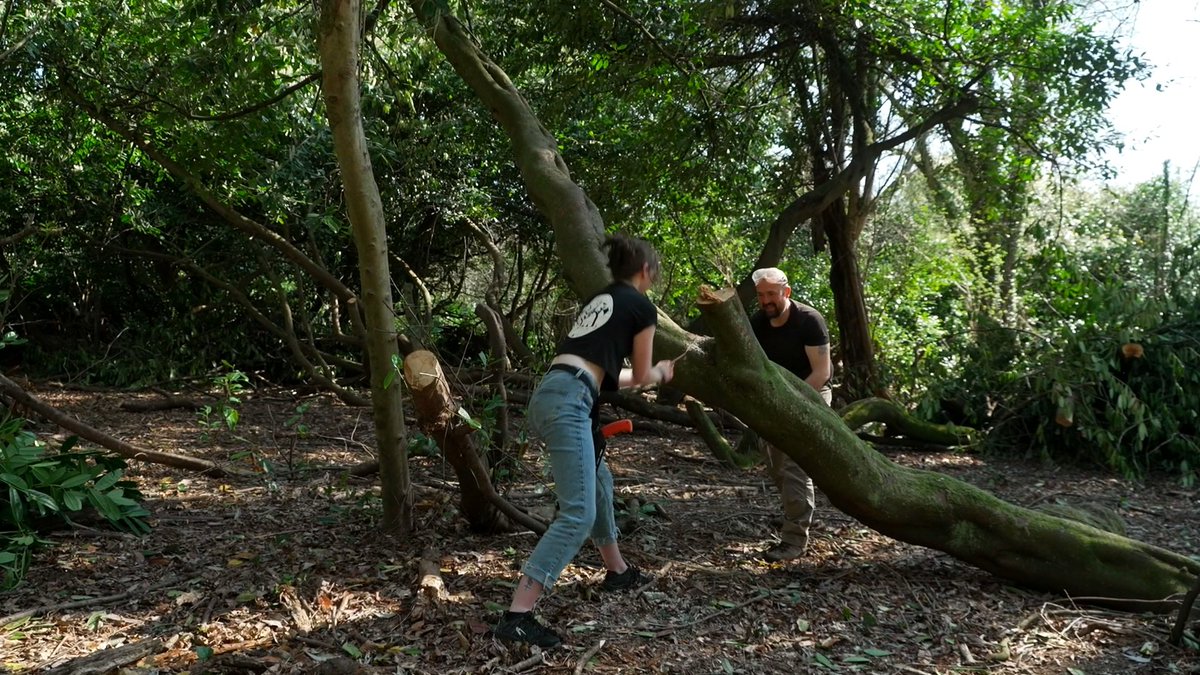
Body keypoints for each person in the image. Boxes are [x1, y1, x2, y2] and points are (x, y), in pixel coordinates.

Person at [493, 234, 676, 649]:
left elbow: (612, 377)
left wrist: (648, 375)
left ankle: (618, 571)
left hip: (556, 391)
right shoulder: (642, 306)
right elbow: (645, 375)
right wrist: (663, 373)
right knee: (577, 513)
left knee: (599, 482)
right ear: (646, 271)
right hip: (571, 400)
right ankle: (519, 615)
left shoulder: (601, 301)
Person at [749, 267, 833, 562]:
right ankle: (792, 511)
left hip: (811, 392)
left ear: (787, 292)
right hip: (776, 396)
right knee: (772, 457)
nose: (766, 300)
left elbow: (822, 372)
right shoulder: (758, 323)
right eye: (761, 295)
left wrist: (790, 403)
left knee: (791, 461)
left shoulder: (809, 321)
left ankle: (794, 539)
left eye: (771, 293)